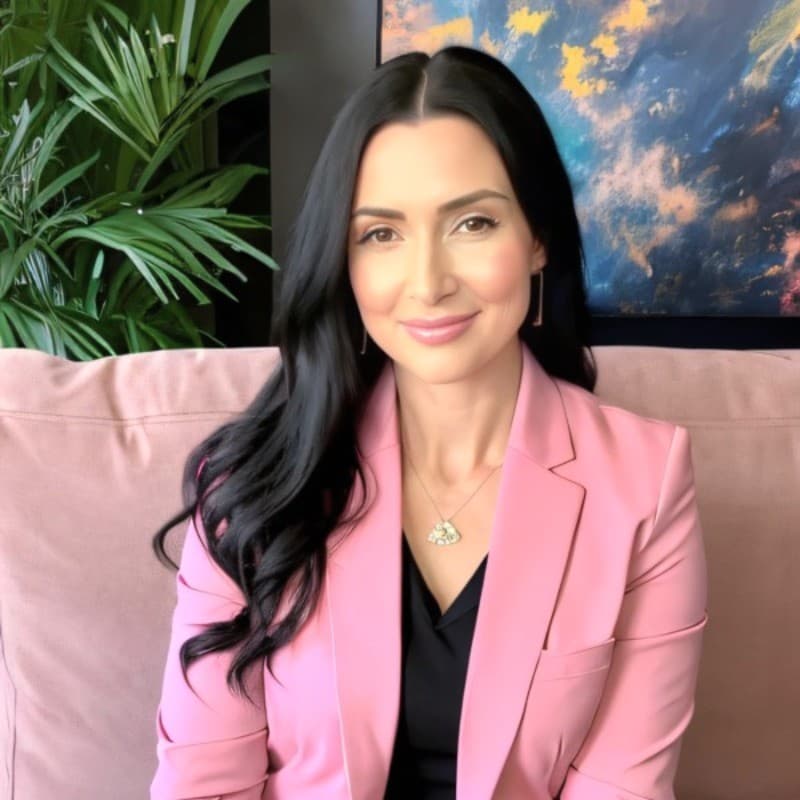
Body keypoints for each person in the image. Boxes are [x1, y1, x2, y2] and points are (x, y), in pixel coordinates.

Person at [150, 45, 708, 800]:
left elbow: (622, 787)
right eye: (381, 234)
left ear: (537, 237)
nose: (428, 282)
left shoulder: (644, 482)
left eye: (472, 223)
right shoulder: (251, 482)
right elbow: (203, 782)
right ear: (343, 260)